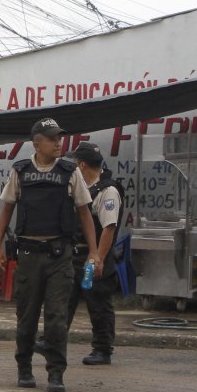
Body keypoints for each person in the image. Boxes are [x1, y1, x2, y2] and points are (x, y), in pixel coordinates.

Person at [0, 118, 99, 392]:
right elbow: (6, 210)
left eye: (59, 138)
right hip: (29, 255)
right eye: (53, 139)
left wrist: (95, 253)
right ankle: (24, 368)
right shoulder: (21, 171)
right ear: (37, 143)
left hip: (59, 256)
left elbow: (85, 213)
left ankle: (55, 373)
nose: (59, 143)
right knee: (26, 317)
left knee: (56, 317)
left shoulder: (70, 172)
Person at [66, 142, 123, 366]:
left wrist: (96, 258)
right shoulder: (80, 189)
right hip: (75, 255)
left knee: (98, 302)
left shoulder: (107, 191)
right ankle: (51, 341)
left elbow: (109, 228)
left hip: (96, 256)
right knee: (64, 300)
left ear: (82, 165)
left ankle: (102, 349)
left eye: (74, 163)